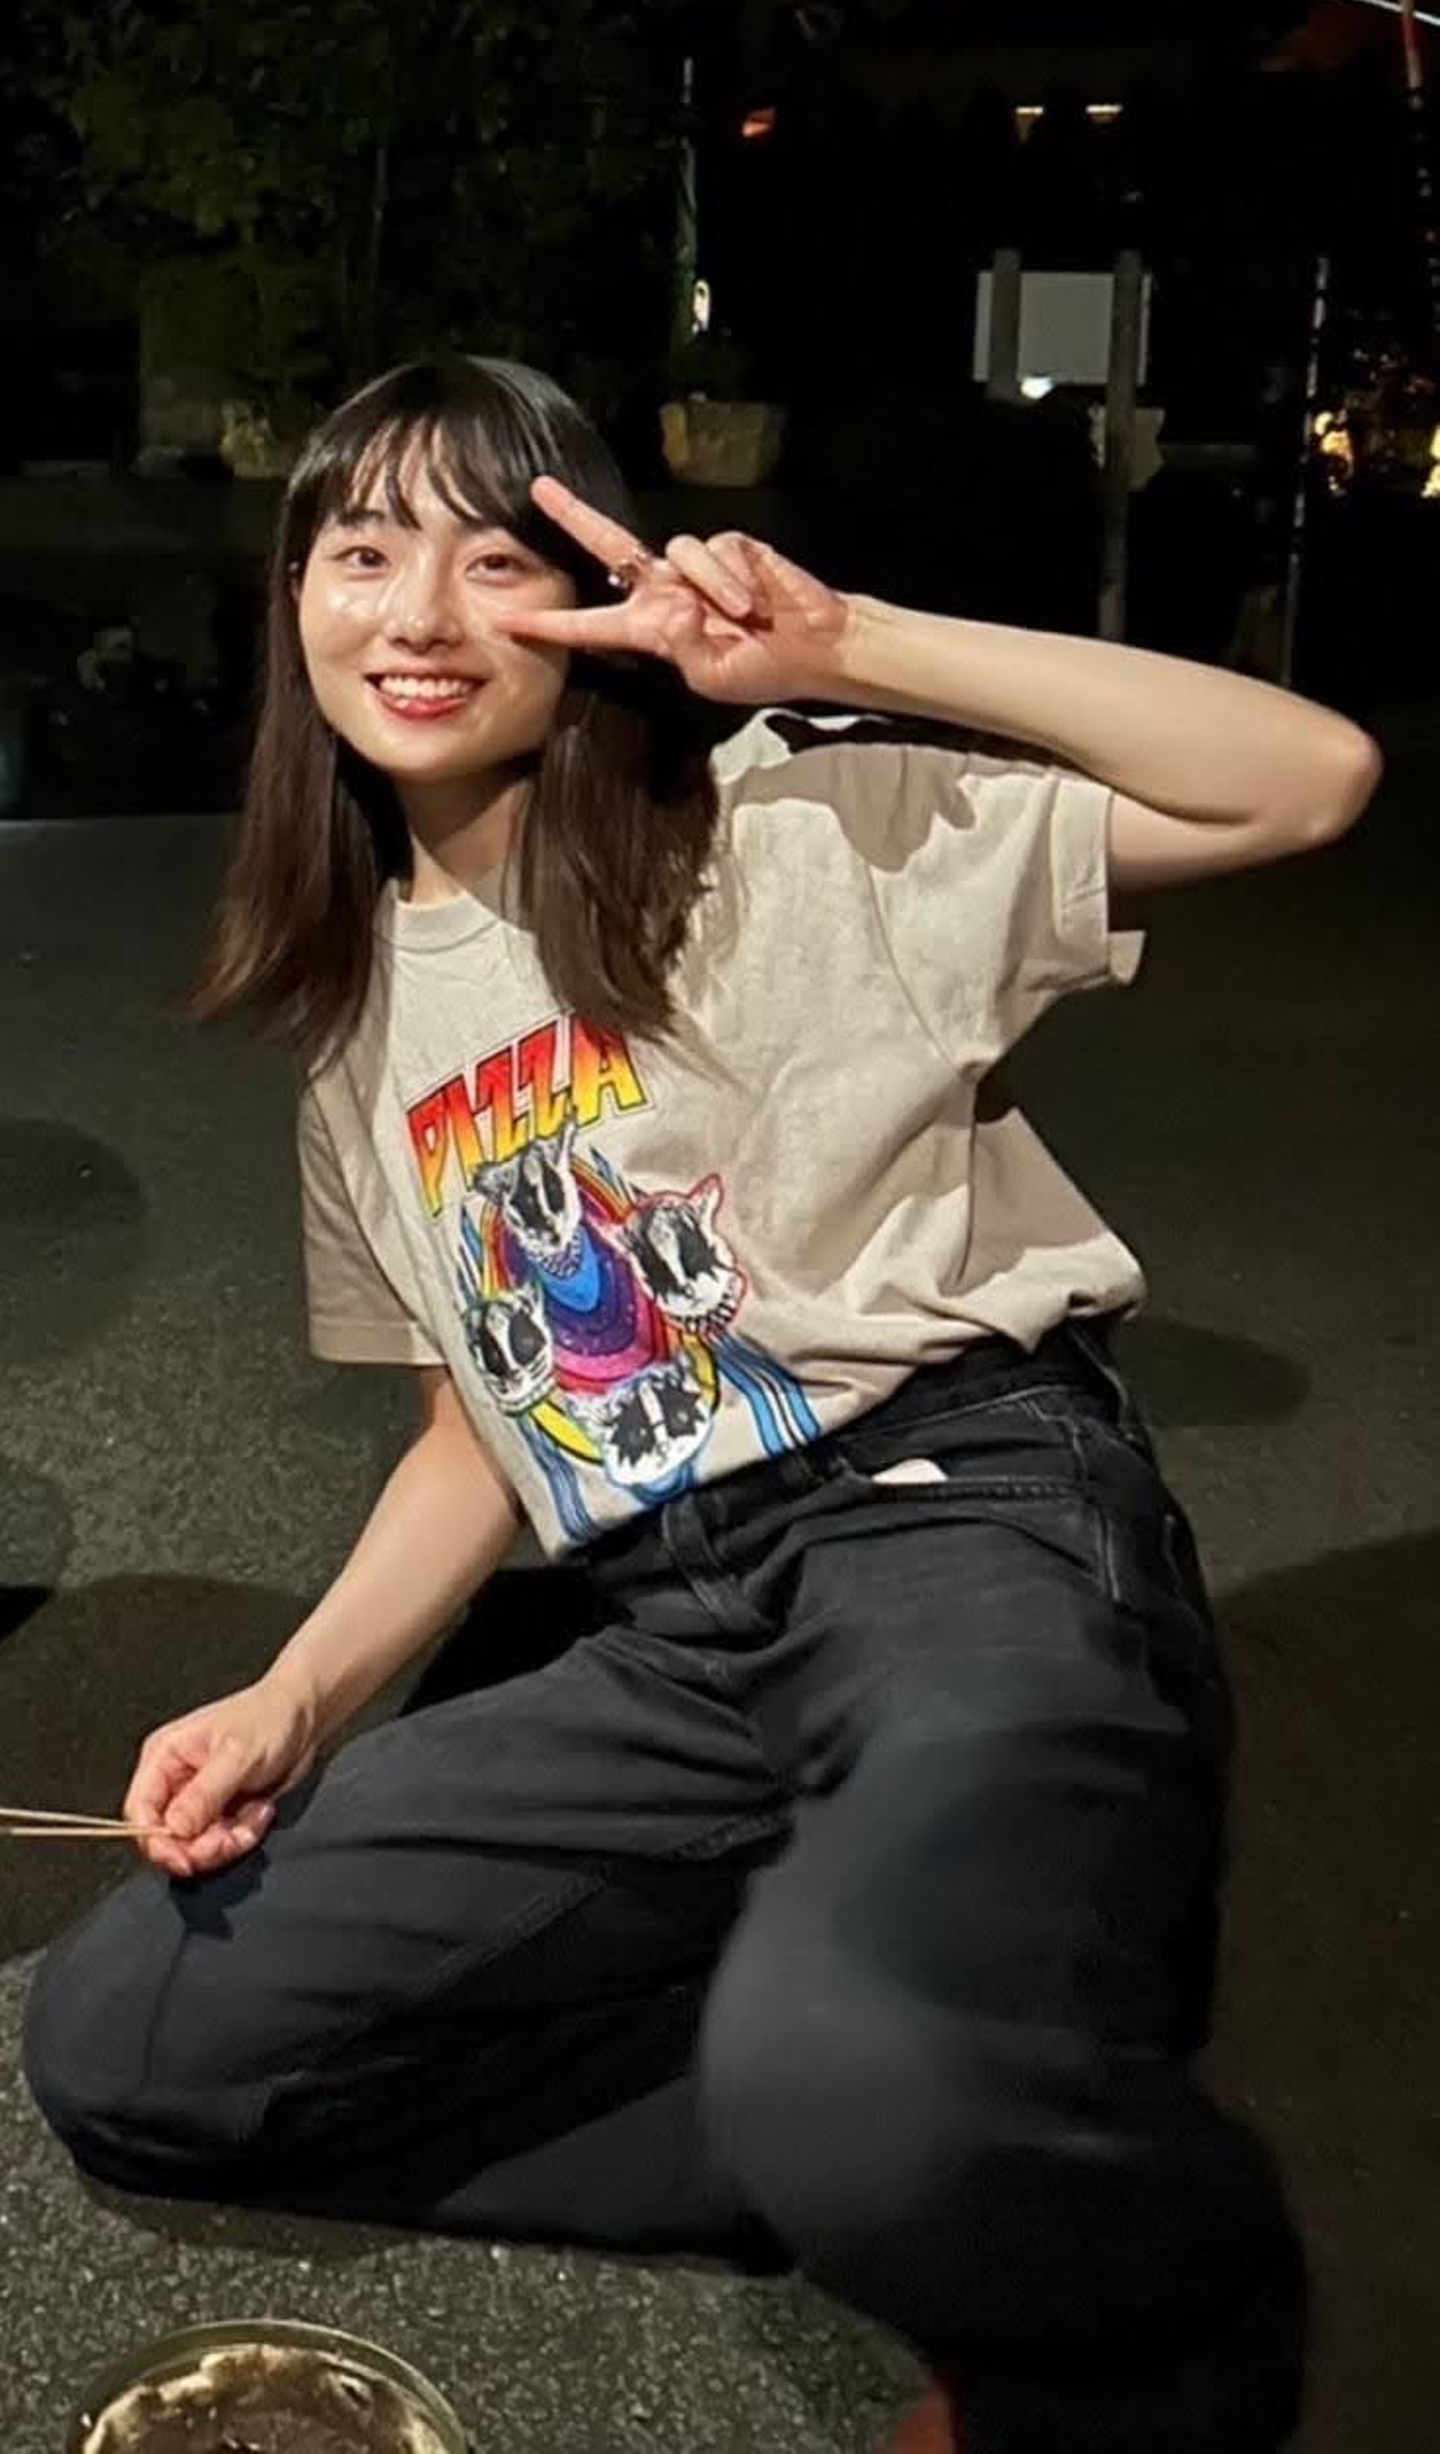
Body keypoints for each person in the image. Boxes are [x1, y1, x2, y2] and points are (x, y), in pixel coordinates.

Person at [24, 356, 1381, 2454]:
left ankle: (1095, 2265)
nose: (418, 614)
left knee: (850, 2057)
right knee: (133, 2046)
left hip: (953, 1512)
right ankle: (929, 2129)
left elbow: (1303, 780)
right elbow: (485, 1434)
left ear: (592, 600)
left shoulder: (788, 816)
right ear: (294, 598)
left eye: (496, 560)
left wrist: (848, 647)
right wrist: (288, 1702)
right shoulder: (360, 1025)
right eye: (362, 552)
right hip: (678, 1623)